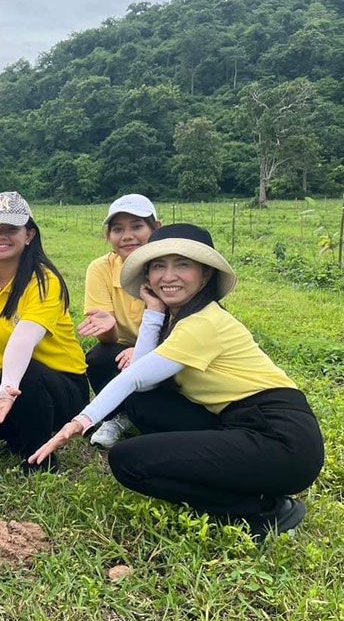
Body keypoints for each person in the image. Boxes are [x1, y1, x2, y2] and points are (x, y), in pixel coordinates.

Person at [28, 224, 324, 540]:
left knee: (128, 460)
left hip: (282, 439)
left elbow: (134, 377)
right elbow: (143, 385)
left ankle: (264, 509)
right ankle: (249, 490)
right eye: (158, 266)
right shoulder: (179, 318)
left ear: (205, 275)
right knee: (144, 403)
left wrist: (76, 424)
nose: (168, 277)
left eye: (182, 264)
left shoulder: (202, 322)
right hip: (237, 421)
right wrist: (154, 312)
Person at [0, 191, 89, 473]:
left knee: (25, 372)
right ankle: (14, 429)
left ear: (29, 235)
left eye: (11, 228)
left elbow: (24, 339)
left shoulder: (44, 281)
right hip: (0, 379)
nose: (0, 235)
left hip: (58, 388)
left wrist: (7, 390)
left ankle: (38, 457)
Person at [78, 194, 162, 448]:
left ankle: (155, 416)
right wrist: (109, 327)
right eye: (117, 229)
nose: (127, 236)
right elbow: (108, 337)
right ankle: (118, 416)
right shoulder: (101, 269)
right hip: (121, 350)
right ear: (108, 236)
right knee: (99, 356)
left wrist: (143, 350)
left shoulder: (169, 265)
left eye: (137, 226)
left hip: (169, 347)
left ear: (156, 228)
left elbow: (183, 326)